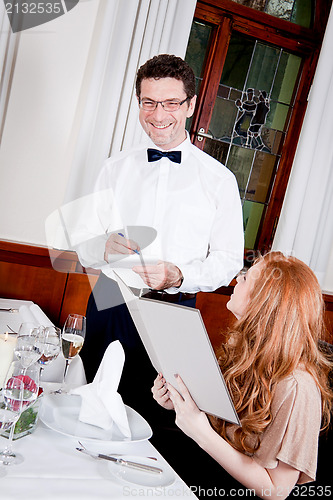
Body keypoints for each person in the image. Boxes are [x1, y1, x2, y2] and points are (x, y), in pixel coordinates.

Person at [72, 54, 244, 423]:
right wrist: (100, 246)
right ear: (139, 105)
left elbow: (229, 259)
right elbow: (82, 240)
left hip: (174, 309)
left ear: (190, 105)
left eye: (170, 102)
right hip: (109, 298)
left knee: (155, 420)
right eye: (149, 102)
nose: (158, 113)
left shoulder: (219, 180)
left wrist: (179, 275)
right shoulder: (113, 168)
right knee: (87, 405)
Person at [152, 252, 333, 498]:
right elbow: (220, 425)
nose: (238, 279)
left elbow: (277, 490)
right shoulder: (242, 349)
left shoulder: (298, 386)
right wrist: (179, 403)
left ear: (264, 302)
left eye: (246, 277)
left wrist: (200, 432)